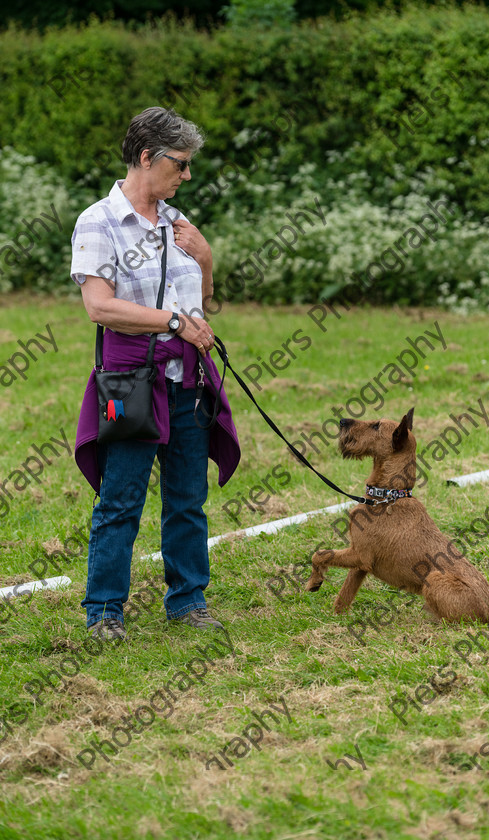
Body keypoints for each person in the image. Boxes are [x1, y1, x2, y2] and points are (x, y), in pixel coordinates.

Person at [71, 107, 240, 641]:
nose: (187, 175)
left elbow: (206, 303)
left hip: (187, 383)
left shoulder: (178, 223)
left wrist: (207, 260)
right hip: (133, 385)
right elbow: (99, 307)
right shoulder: (98, 222)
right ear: (147, 157)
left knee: (188, 498)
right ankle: (104, 611)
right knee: (121, 499)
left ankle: (188, 600)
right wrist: (174, 323)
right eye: (181, 164)